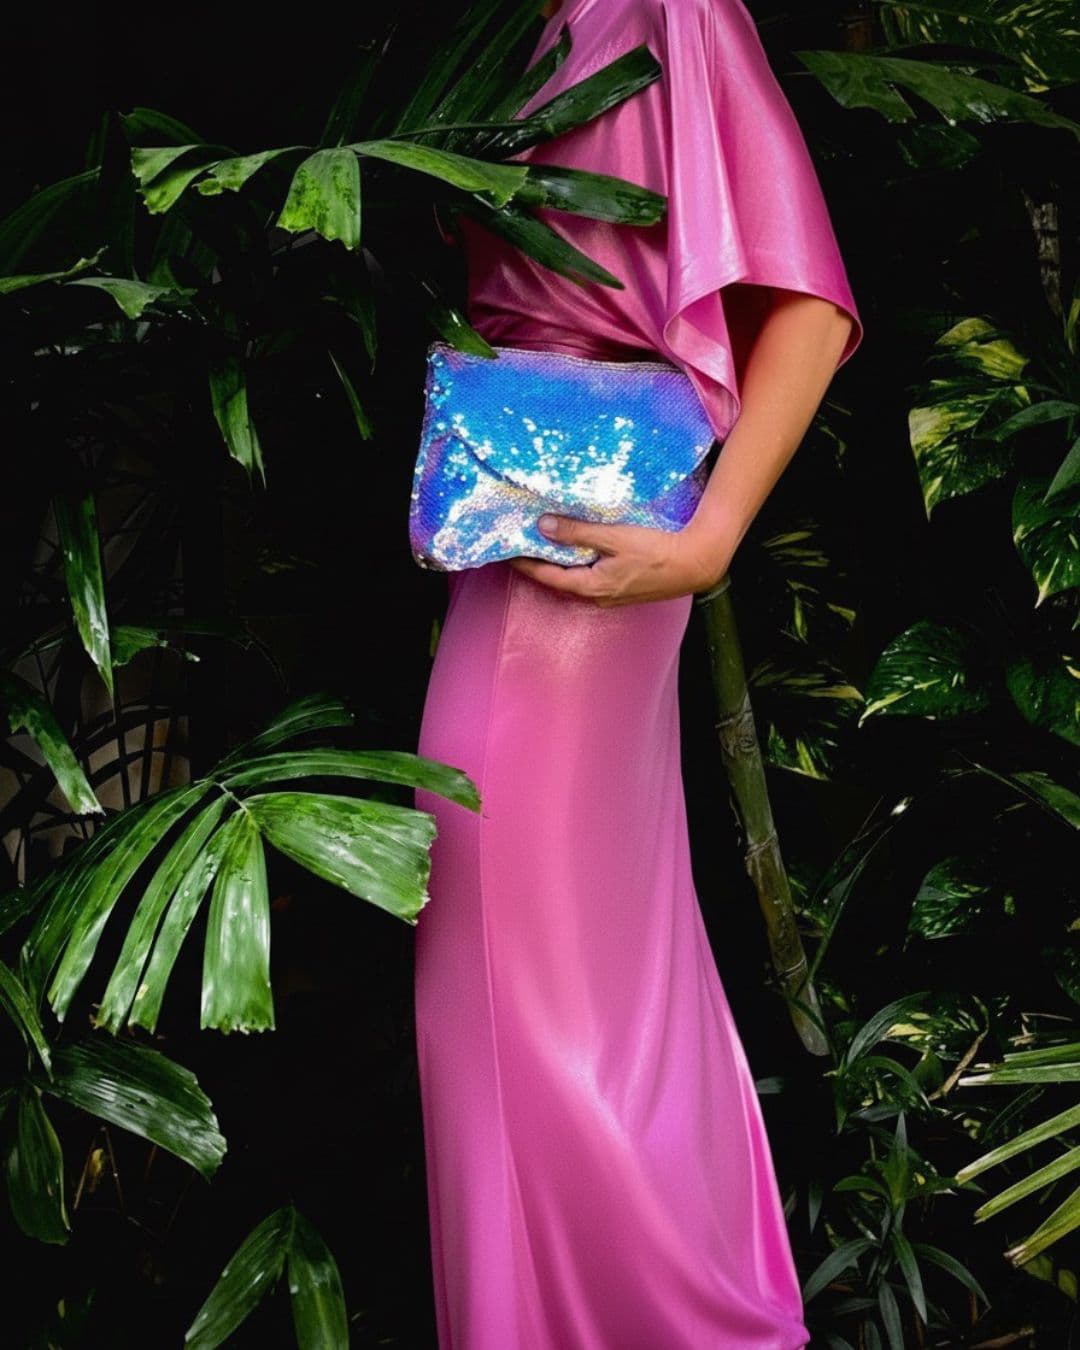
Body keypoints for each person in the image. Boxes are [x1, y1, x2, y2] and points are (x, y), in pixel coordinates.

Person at [411, 1, 864, 1345]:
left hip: (585, 552)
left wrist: (714, 534)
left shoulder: (669, 8)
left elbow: (808, 304)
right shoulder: (494, 26)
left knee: (507, 1006)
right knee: (605, 990)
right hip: (532, 531)